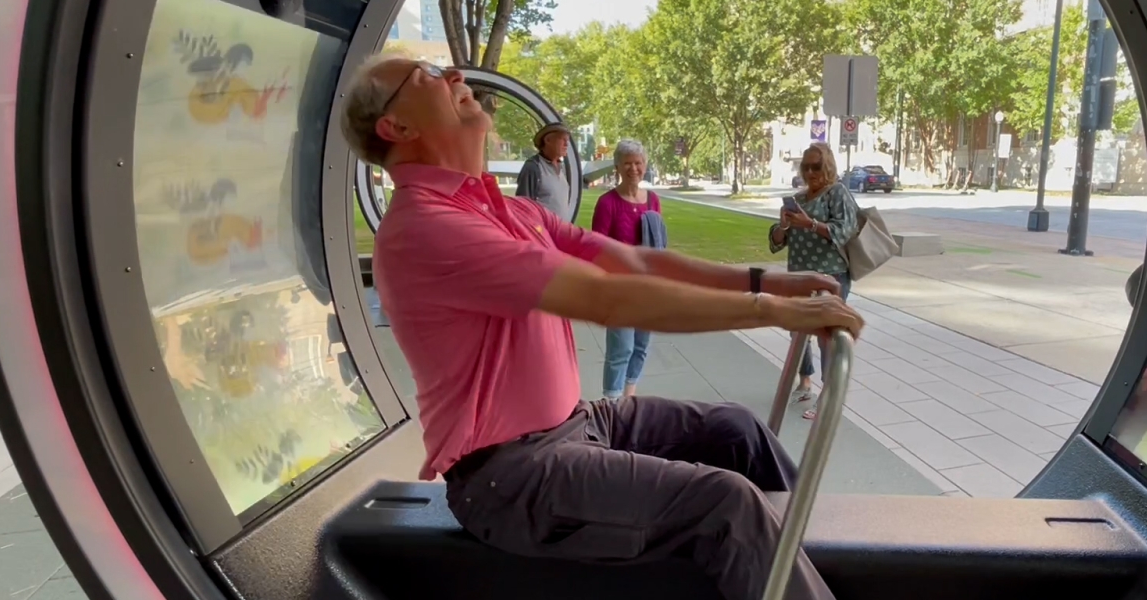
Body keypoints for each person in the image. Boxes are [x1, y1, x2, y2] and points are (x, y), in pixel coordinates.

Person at [339, 57, 860, 600]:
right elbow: (605, 297)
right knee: (726, 503)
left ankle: (817, 564)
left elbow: (634, 263)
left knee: (737, 429)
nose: (453, 78)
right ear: (396, 128)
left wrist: (772, 283)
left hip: (576, 425)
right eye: (426, 76)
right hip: (512, 478)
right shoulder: (426, 227)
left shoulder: (514, 212)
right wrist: (770, 312)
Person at [768, 143, 860, 420]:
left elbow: (844, 231)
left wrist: (810, 224)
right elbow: (775, 243)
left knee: (826, 339)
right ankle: (804, 382)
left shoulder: (837, 193)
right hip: (799, 277)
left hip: (830, 277)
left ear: (828, 166)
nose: (810, 172)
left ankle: (829, 396)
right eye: (805, 166)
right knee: (797, 333)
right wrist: (783, 227)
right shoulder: (799, 198)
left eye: (816, 166)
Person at [590, 140, 662, 401]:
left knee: (641, 346)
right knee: (621, 348)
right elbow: (595, 248)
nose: (634, 168)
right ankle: (610, 406)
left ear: (645, 165)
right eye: (628, 163)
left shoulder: (653, 200)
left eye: (638, 162)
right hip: (620, 287)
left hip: (648, 285)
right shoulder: (607, 203)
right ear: (618, 166)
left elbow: (658, 244)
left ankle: (628, 400)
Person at [514, 122, 575, 221]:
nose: (566, 144)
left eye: (567, 140)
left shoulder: (561, 168)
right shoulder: (533, 167)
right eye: (562, 139)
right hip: (542, 233)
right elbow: (523, 208)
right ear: (548, 140)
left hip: (560, 233)